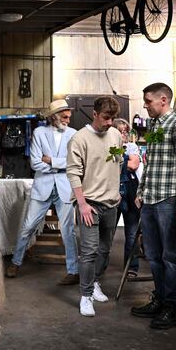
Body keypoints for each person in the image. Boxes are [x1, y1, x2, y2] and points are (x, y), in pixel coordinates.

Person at [131, 82, 176, 330]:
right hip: (150, 199)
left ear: (163, 100)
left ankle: (172, 307)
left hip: (169, 200)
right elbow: (151, 162)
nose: (145, 105)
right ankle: (159, 299)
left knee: (171, 257)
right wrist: (141, 190)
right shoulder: (156, 126)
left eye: (148, 101)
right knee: (154, 256)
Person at [5, 98, 80, 285]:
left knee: (68, 230)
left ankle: (73, 270)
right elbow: (35, 163)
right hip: (42, 187)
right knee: (28, 226)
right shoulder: (39, 132)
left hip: (65, 188)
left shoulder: (74, 134)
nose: (68, 120)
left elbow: (75, 163)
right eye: (65, 117)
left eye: (69, 117)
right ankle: (16, 262)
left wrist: (51, 161)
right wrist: (60, 165)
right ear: (54, 117)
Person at [66, 96, 124, 317]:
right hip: (89, 204)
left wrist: (117, 190)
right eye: (106, 118)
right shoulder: (79, 139)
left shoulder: (116, 135)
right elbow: (73, 173)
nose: (109, 122)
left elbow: (117, 163)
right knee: (89, 251)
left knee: (105, 249)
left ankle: (96, 282)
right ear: (95, 114)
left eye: (113, 118)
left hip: (111, 202)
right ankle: (86, 295)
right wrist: (81, 204)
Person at [113, 118, 142, 279]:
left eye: (126, 131)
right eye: (120, 130)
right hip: (112, 191)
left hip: (130, 192)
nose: (124, 134)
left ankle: (131, 266)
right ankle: (99, 267)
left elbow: (133, 165)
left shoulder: (132, 146)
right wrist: (125, 158)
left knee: (131, 233)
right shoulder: (108, 146)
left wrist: (117, 158)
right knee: (107, 232)